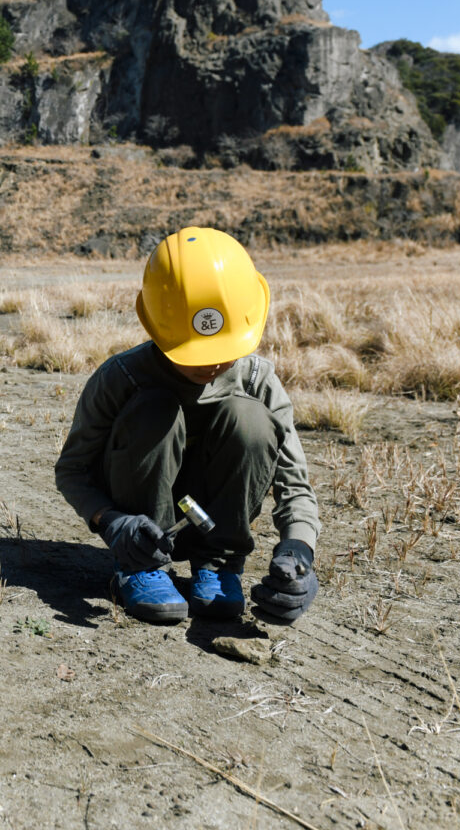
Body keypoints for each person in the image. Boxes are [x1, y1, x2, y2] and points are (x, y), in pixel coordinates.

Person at [55, 227, 319, 625]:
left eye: (224, 351)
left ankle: (218, 566)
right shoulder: (122, 379)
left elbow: (294, 486)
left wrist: (299, 553)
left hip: (214, 517)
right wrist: (111, 523)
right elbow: (72, 471)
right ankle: (141, 568)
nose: (211, 365)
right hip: (139, 527)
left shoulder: (257, 381)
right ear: (156, 327)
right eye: (194, 353)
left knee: (250, 419)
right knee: (154, 409)